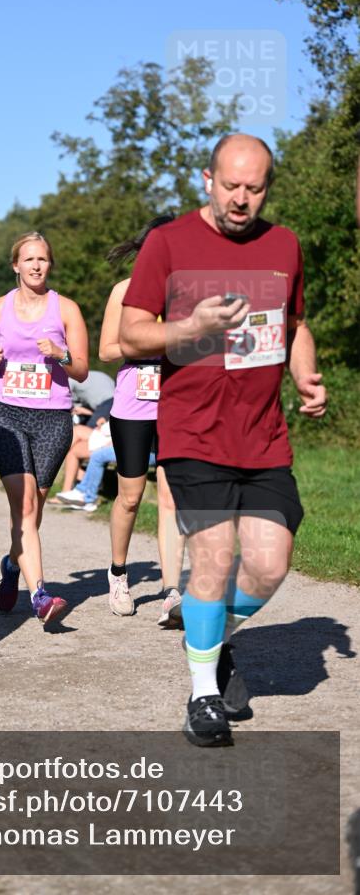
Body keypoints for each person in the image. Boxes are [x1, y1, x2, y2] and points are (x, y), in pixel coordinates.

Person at [120, 134, 327, 747]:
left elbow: (295, 324)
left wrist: (304, 373)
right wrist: (192, 326)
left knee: (269, 563)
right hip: (193, 432)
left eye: (254, 189)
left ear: (267, 188)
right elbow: (131, 335)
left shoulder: (284, 245)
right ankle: (203, 695)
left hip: (262, 436)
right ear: (207, 179)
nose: (241, 199)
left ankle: (212, 640)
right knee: (211, 558)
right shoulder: (168, 242)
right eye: (231, 185)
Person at [0, 232, 88, 625]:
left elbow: (82, 369)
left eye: (43, 259)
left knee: (32, 509)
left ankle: (11, 565)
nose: (36, 266)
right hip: (6, 414)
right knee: (24, 506)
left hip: (52, 417)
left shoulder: (66, 309)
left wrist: (61, 354)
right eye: (29, 259)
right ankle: (40, 595)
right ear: (16, 265)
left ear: (49, 265)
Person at [94, 216, 186, 621]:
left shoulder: (187, 294)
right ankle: (118, 573)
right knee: (130, 497)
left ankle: (171, 590)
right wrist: (147, 342)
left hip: (176, 403)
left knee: (171, 497)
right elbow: (106, 351)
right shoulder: (124, 291)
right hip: (133, 405)